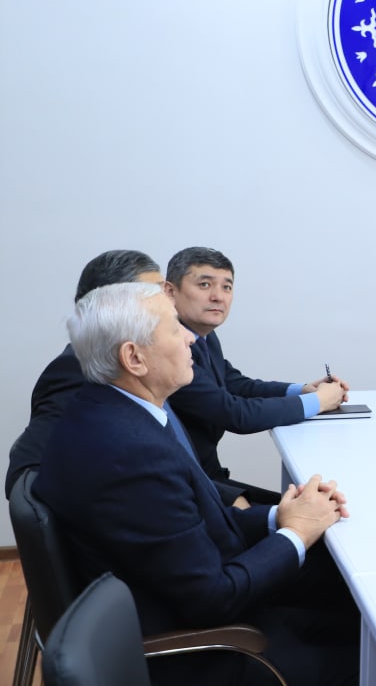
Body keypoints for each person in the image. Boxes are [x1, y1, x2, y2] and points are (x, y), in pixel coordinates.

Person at [33, 282, 358, 685]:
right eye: (175, 328)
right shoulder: (130, 454)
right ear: (134, 358)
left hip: (199, 610)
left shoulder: (113, 414)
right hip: (205, 651)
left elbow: (193, 526)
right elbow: (214, 598)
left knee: (352, 602)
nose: (190, 338)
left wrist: (281, 516)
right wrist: (298, 532)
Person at [165, 247, 348, 504]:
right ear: (170, 291)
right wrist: (318, 402)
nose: (218, 297)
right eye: (204, 284)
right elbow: (235, 414)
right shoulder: (169, 348)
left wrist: (302, 390)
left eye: (227, 287)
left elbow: (235, 384)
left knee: (323, 505)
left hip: (208, 477)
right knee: (319, 509)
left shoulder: (204, 336)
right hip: (190, 487)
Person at [6, 250, 167, 498]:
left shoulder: (146, 364)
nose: (169, 303)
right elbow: (25, 474)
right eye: (154, 294)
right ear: (109, 306)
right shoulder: (76, 370)